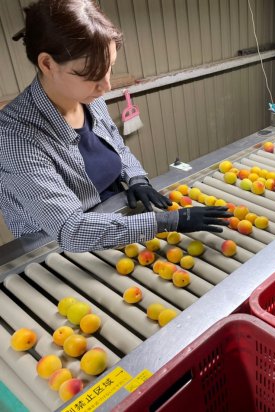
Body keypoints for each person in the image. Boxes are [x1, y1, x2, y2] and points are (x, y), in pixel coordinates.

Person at [0, 0, 230, 253]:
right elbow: (71, 230)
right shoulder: (15, 136)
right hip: (56, 249)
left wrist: (137, 178)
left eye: (109, 67)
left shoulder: (88, 96)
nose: (106, 86)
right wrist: (168, 221)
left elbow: (116, 145)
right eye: (92, 74)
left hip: (116, 218)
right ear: (47, 64)